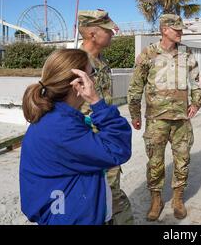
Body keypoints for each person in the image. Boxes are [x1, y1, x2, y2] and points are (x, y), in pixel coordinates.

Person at [19, 49, 132, 225]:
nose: (94, 80)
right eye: (92, 74)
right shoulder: (62, 128)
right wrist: (97, 102)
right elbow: (118, 149)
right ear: (78, 84)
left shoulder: (55, 118)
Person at [127, 14, 201, 221]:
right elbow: (136, 86)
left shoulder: (186, 54)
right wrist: (135, 114)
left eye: (181, 28)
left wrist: (196, 103)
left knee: (182, 160)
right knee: (155, 162)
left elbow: (197, 82)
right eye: (176, 29)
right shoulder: (148, 54)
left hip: (181, 120)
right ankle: (156, 199)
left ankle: (178, 198)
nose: (180, 32)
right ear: (164, 30)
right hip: (156, 120)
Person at [77, 9, 134, 225]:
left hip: (105, 141)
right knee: (104, 198)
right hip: (88, 145)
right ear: (92, 34)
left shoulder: (101, 62)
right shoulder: (75, 62)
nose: (113, 33)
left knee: (110, 196)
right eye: (107, 30)